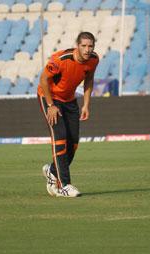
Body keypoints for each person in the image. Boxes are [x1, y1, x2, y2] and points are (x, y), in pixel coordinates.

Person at [37, 32, 99, 198]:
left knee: (73, 143)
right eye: (84, 46)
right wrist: (50, 105)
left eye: (90, 46)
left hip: (70, 100)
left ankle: (52, 171)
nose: (87, 49)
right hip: (50, 97)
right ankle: (64, 185)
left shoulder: (93, 59)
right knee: (60, 138)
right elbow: (43, 80)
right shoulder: (61, 59)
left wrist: (86, 104)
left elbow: (89, 79)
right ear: (77, 46)